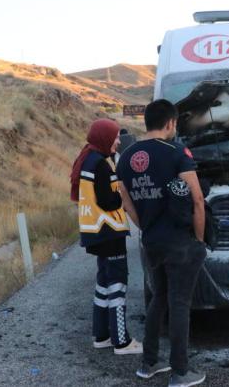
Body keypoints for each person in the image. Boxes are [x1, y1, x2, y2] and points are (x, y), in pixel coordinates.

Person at [117, 99, 207, 387]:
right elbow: (196, 200)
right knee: (180, 303)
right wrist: (200, 239)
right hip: (181, 241)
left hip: (152, 240)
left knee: (159, 298)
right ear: (170, 123)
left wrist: (148, 227)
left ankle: (149, 363)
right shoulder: (177, 152)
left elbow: (127, 202)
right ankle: (181, 372)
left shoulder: (127, 156)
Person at [69, 118, 143, 355]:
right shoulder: (100, 164)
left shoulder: (88, 160)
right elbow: (108, 201)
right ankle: (122, 341)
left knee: (103, 284)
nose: (118, 141)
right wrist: (123, 193)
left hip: (96, 235)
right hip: (109, 233)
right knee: (117, 284)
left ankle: (101, 336)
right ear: (104, 138)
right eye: (115, 137)